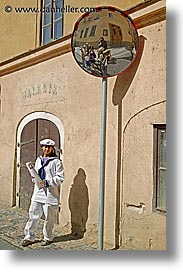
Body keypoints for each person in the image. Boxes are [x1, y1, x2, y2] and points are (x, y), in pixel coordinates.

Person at [21, 138, 64, 247]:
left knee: (49, 218)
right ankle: (29, 236)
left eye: (48, 147)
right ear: (42, 147)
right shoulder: (38, 160)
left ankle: (48, 237)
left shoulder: (56, 162)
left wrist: (47, 182)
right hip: (38, 192)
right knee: (33, 214)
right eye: (44, 147)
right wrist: (34, 178)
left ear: (52, 148)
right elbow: (35, 173)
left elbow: (60, 178)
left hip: (50, 194)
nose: (46, 149)